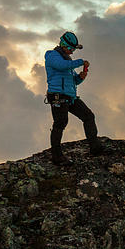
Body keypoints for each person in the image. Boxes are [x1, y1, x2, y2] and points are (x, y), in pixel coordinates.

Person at [45, 31, 104, 165]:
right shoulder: (53, 56)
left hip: (69, 96)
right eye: (71, 48)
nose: (72, 52)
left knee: (88, 116)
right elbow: (61, 66)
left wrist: (80, 78)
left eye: (73, 49)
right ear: (63, 44)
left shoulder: (67, 60)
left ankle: (95, 147)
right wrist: (81, 62)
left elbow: (72, 81)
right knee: (60, 123)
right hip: (58, 96)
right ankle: (57, 156)